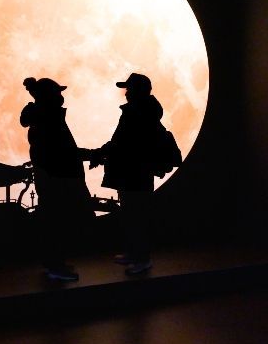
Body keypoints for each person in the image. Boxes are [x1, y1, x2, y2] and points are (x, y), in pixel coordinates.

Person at [90, 73, 164, 275]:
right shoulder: (142, 111)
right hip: (133, 171)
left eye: (129, 89)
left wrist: (101, 153)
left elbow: (122, 141)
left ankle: (142, 259)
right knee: (133, 214)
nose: (126, 93)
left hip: (135, 171)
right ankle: (135, 254)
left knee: (137, 215)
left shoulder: (139, 113)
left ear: (138, 91)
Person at [21, 77, 94, 281]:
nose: (61, 97)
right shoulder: (48, 120)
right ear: (48, 96)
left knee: (54, 222)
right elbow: (64, 153)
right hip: (58, 179)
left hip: (53, 178)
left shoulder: (44, 118)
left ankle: (54, 262)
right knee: (58, 223)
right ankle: (56, 266)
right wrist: (92, 154)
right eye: (57, 93)